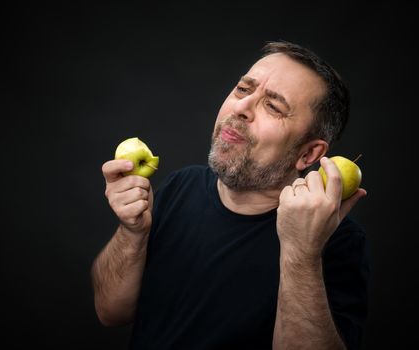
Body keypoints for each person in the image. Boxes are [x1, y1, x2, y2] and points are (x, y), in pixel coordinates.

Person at [91, 40, 370, 350]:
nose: (241, 108)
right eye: (242, 90)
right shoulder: (180, 187)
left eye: (273, 106)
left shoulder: (336, 238)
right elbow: (109, 311)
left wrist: (301, 254)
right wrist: (132, 233)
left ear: (308, 154)